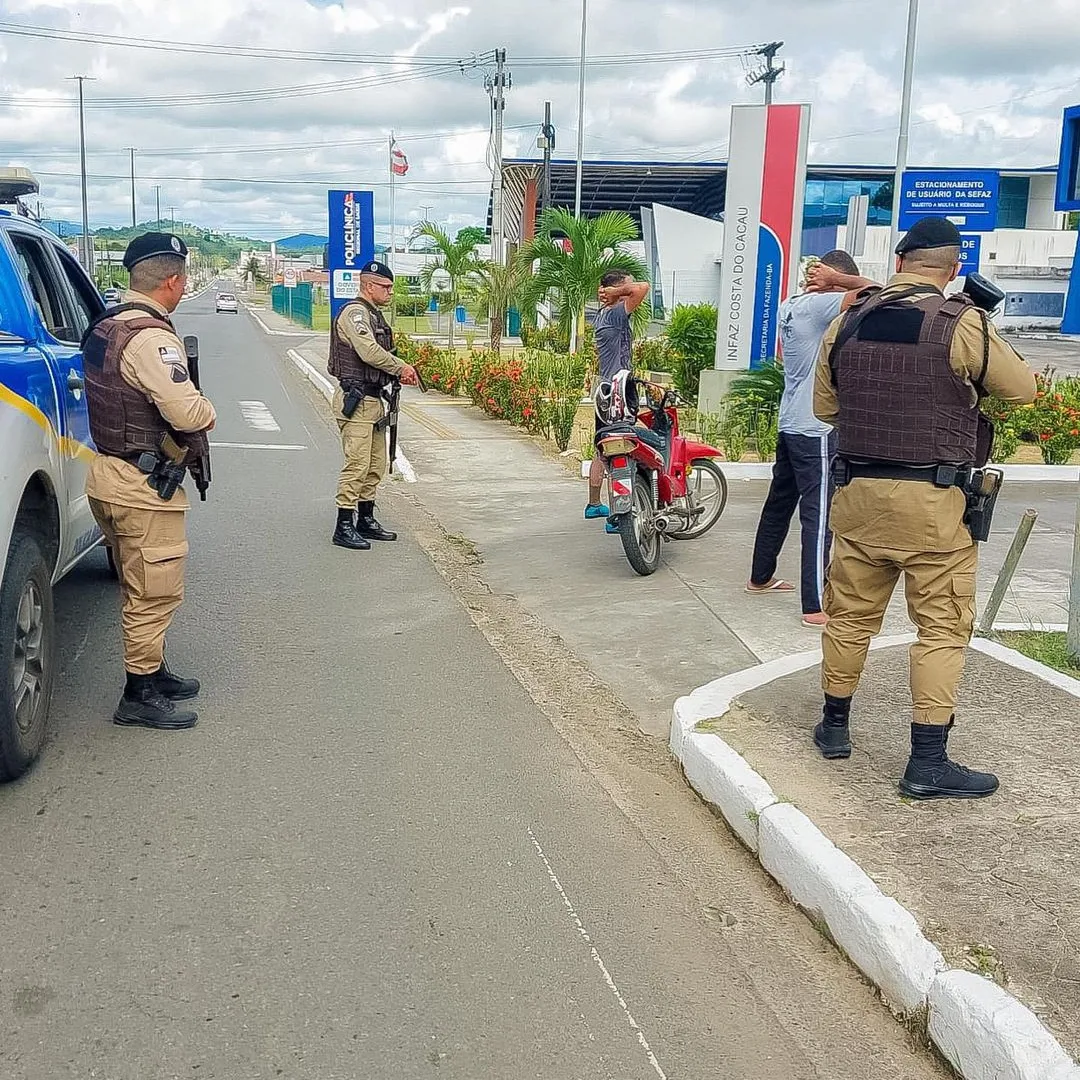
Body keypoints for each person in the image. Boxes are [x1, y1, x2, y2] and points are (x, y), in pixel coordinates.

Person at [811, 216, 1036, 799]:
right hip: (934, 507)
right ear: (954, 267)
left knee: (851, 617)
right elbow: (1022, 389)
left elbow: (825, 407)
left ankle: (834, 728)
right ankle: (927, 762)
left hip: (857, 498)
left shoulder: (849, 321)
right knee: (940, 630)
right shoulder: (961, 323)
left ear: (901, 262)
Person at [83, 232, 216, 731]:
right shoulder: (153, 338)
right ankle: (137, 693)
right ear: (175, 281)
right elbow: (188, 412)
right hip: (142, 486)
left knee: (140, 583)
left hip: (109, 474)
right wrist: (209, 409)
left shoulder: (108, 325)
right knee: (154, 591)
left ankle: (154, 670)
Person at [746, 250, 875, 627]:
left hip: (790, 422)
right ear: (832, 280)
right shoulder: (821, 305)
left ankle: (760, 576)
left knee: (779, 502)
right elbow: (878, 292)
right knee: (818, 514)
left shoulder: (793, 304)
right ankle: (815, 604)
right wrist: (841, 282)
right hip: (816, 428)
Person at [328, 261, 418, 550]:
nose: (390, 292)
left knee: (376, 464)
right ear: (368, 286)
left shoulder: (372, 315)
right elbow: (368, 352)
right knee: (357, 464)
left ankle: (365, 519)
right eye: (385, 287)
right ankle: (344, 524)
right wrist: (400, 366)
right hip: (356, 400)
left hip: (373, 400)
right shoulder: (355, 314)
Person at [585, 271, 651, 532]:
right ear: (614, 291)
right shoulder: (614, 313)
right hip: (618, 389)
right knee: (620, 448)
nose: (631, 286)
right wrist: (617, 292)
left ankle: (593, 504)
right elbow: (643, 288)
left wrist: (616, 292)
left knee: (602, 448)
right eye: (626, 283)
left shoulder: (603, 314)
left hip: (604, 386)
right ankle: (618, 513)